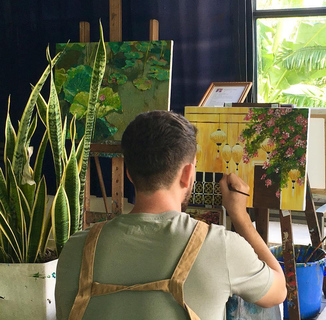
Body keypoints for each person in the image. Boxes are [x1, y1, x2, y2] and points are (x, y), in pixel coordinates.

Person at [55, 110, 287, 320]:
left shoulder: (77, 248)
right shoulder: (219, 246)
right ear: (187, 174)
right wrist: (241, 217)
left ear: (129, 174)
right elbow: (278, 291)